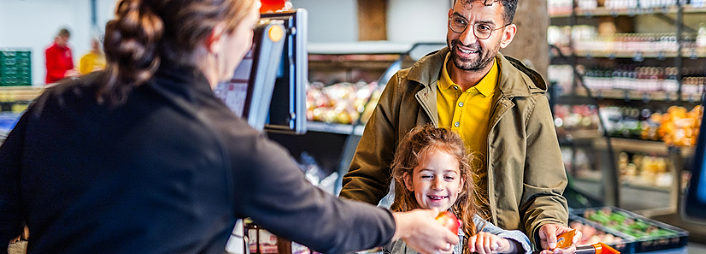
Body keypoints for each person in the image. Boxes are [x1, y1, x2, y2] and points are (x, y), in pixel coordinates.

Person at [0, 0, 457, 253]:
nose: (253, 41)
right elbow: (329, 225)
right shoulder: (227, 142)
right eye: (251, 28)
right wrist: (406, 224)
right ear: (216, 38)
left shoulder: (58, 102)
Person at [340, 0, 580, 253]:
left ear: (507, 35)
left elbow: (543, 194)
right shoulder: (404, 88)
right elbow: (366, 178)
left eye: (484, 28)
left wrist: (548, 225)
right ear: (449, 18)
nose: (466, 38)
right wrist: (341, 234)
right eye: (460, 21)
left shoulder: (529, 102)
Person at [386, 125, 532, 254]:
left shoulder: (471, 224)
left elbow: (523, 243)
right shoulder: (397, 225)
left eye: (448, 177)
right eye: (427, 176)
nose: (438, 186)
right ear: (409, 181)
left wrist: (502, 244)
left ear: (461, 183)